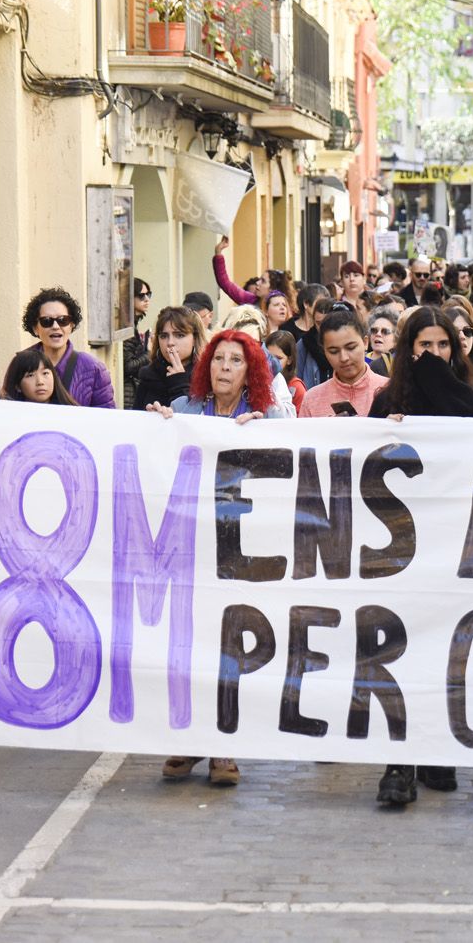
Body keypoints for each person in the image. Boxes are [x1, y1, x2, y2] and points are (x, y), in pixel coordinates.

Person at [366, 308, 473, 807]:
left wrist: (439, 379)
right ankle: (399, 763)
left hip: (455, 543)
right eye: (425, 347)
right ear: (408, 349)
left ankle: (437, 748)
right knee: (404, 650)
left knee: (446, 650)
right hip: (401, 547)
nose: (435, 355)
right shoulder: (388, 400)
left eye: (444, 345)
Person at [146, 329, 272, 788]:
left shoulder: (268, 416)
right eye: (218, 359)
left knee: (228, 643)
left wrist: (266, 432)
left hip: (239, 547)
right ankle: (189, 739)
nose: (225, 367)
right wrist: (157, 424)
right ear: (206, 366)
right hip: (189, 546)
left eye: (236, 360)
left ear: (250, 371)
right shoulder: (184, 410)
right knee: (189, 641)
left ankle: (223, 745)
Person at [20, 287, 115, 408]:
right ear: (35, 328)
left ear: (71, 325)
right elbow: (8, 408)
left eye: (63, 320)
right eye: (47, 321)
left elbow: (106, 415)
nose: (55, 326)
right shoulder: (20, 364)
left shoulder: (94, 368)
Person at [298, 310, 388, 418]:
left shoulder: (390, 391)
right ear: (324, 351)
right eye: (334, 351)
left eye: (351, 348)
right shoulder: (312, 400)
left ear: (365, 343)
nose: (344, 358)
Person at [134, 306, 207, 412]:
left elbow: (194, 418)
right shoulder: (148, 375)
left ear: (195, 339)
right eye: (164, 336)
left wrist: (179, 383)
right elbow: (136, 416)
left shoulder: (206, 377)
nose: (170, 343)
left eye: (180, 335)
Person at [3, 347, 77, 405]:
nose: (40, 382)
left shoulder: (72, 413)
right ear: (18, 386)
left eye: (45, 373)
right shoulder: (9, 415)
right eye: (30, 375)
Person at [121, 278, 152, 409]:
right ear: (129, 298)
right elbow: (128, 366)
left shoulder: (131, 325)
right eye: (141, 295)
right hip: (127, 396)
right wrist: (149, 352)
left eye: (148, 294)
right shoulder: (126, 326)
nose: (147, 299)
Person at [211, 235, 267, 306]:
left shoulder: (279, 303)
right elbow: (224, 282)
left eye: (263, 281)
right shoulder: (250, 300)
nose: (258, 283)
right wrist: (218, 251)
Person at [264, 329, 305, 413]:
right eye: (269, 357)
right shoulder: (259, 381)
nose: (273, 362)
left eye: (278, 358)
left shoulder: (297, 387)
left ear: (289, 360)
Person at [366, 304, 400, 374]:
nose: (378, 334)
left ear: (396, 338)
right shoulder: (360, 361)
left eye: (385, 331)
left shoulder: (400, 364)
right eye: (374, 330)